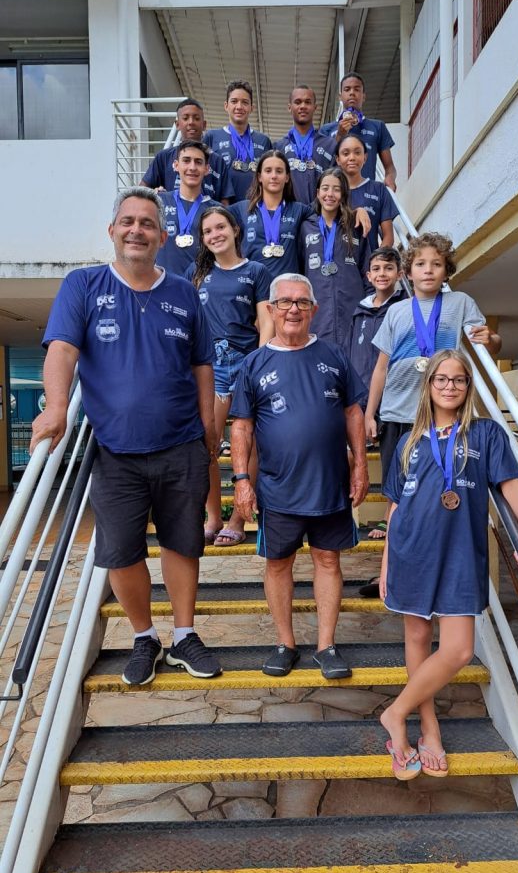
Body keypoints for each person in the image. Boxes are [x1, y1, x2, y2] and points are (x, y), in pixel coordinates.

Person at [30, 187, 221, 687]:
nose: (137, 230)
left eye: (147, 223)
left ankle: (184, 635)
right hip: (114, 451)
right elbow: (63, 351)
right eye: (128, 221)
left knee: (183, 545)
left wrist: (208, 427)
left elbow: (203, 364)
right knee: (122, 552)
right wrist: (55, 408)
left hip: (181, 444)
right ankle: (144, 637)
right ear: (112, 231)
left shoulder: (183, 291)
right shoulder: (84, 286)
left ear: (161, 236)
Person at [379, 349, 518, 780]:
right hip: (411, 551)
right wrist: (385, 565)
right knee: (417, 635)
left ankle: (395, 713)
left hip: (459, 554)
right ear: (429, 385)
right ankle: (427, 728)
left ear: (468, 387)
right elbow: (396, 508)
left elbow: (511, 486)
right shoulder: (409, 441)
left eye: (458, 380)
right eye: (441, 379)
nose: (449, 386)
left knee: (458, 649)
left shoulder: (486, 434)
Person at [229, 274, 369, 679]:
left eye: (302, 303)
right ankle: (285, 643)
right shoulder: (253, 364)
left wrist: (360, 465)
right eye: (285, 302)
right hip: (278, 486)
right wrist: (241, 480)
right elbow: (241, 427)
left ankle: (326, 646)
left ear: (314, 310)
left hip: (330, 484)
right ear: (270, 309)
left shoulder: (333, 355)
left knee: (328, 559)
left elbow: (353, 413)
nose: (293, 309)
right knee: (278, 564)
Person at [365, 232, 502, 498]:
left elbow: (491, 344)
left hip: (441, 412)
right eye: (420, 264)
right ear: (407, 272)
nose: (428, 270)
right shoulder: (396, 311)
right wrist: (371, 414)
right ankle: (392, 528)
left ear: (446, 271)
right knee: (396, 483)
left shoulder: (460, 302)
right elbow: (381, 368)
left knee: (437, 480)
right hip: (396, 412)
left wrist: (493, 338)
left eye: (436, 264)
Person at [186, 206, 274, 548]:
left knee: (247, 445)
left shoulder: (256, 270)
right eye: (208, 231)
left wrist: (261, 358)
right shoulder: (195, 273)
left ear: (235, 229)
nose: (215, 235)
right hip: (209, 366)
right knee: (207, 443)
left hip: (246, 363)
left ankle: (238, 518)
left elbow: (266, 319)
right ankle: (213, 517)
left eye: (220, 227)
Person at [299, 167, 371, 349]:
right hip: (317, 314)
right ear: (317, 192)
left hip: (352, 310)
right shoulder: (305, 226)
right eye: (325, 188)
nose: (330, 194)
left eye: (336, 189)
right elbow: (298, 269)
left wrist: (370, 308)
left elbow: (367, 271)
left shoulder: (355, 225)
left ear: (343, 194)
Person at [229, 150, 313, 279]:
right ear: (259, 177)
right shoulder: (241, 208)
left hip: (287, 290)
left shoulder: (299, 210)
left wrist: (356, 210)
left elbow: (328, 213)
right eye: (268, 171)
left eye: (279, 171)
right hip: (252, 287)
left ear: (287, 177)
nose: (274, 176)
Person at [140, 97, 234, 203]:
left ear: (204, 125)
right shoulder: (164, 157)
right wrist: (154, 194)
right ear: (177, 124)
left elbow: (225, 201)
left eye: (196, 118)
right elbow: (143, 189)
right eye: (185, 118)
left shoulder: (217, 161)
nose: (191, 122)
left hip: (206, 217)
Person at [349, 246, 407, 406]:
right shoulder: (359, 312)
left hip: (394, 398)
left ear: (399, 274)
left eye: (389, 268)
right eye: (376, 269)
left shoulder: (406, 308)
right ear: (369, 276)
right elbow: (351, 353)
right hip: (361, 398)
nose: (382, 273)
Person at [319, 72, 397, 187]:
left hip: (367, 194)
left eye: (356, 89)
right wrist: (340, 136)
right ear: (340, 97)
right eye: (347, 89)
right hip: (336, 194)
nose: (352, 93)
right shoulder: (326, 129)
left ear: (363, 96)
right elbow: (322, 165)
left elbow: (390, 167)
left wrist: (390, 178)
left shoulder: (378, 127)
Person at [156, 141, 220, 276]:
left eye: (198, 162)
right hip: (162, 286)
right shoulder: (158, 201)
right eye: (186, 161)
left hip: (200, 289)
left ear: (207, 169)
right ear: (176, 165)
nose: (192, 167)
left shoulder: (216, 210)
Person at [204, 81, 272, 203]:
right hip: (222, 208)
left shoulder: (263, 141)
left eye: (245, 102)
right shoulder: (212, 137)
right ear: (226, 106)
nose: (239, 107)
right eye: (234, 101)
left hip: (256, 209)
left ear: (252, 108)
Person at [274, 85, 337, 204]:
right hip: (287, 217)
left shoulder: (330, 145)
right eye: (297, 102)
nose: (303, 106)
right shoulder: (278, 147)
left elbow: (336, 183)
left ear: (315, 107)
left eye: (308, 102)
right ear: (289, 107)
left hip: (319, 217)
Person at [336, 134, 397, 252]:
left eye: (357, 153)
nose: (352, 157)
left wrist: (376, 261)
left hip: (367, 266)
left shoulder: (378, 189)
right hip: (337, 265)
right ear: (338, 159)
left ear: (365, 157)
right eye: (346, 153)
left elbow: (388, 237)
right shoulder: (331, 192)